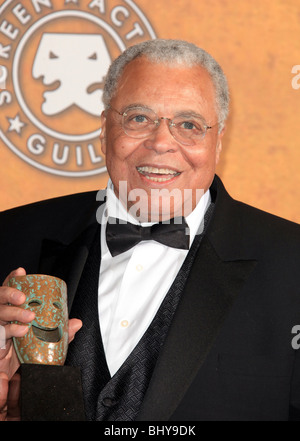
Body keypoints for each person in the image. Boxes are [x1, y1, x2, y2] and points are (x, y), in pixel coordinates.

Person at [0, 39, 300, 421]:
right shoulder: (9, 236)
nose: (161, 143)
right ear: (105, 127)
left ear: (218, 140)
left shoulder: (293, 265)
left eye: (188, 125)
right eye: (139, 118)